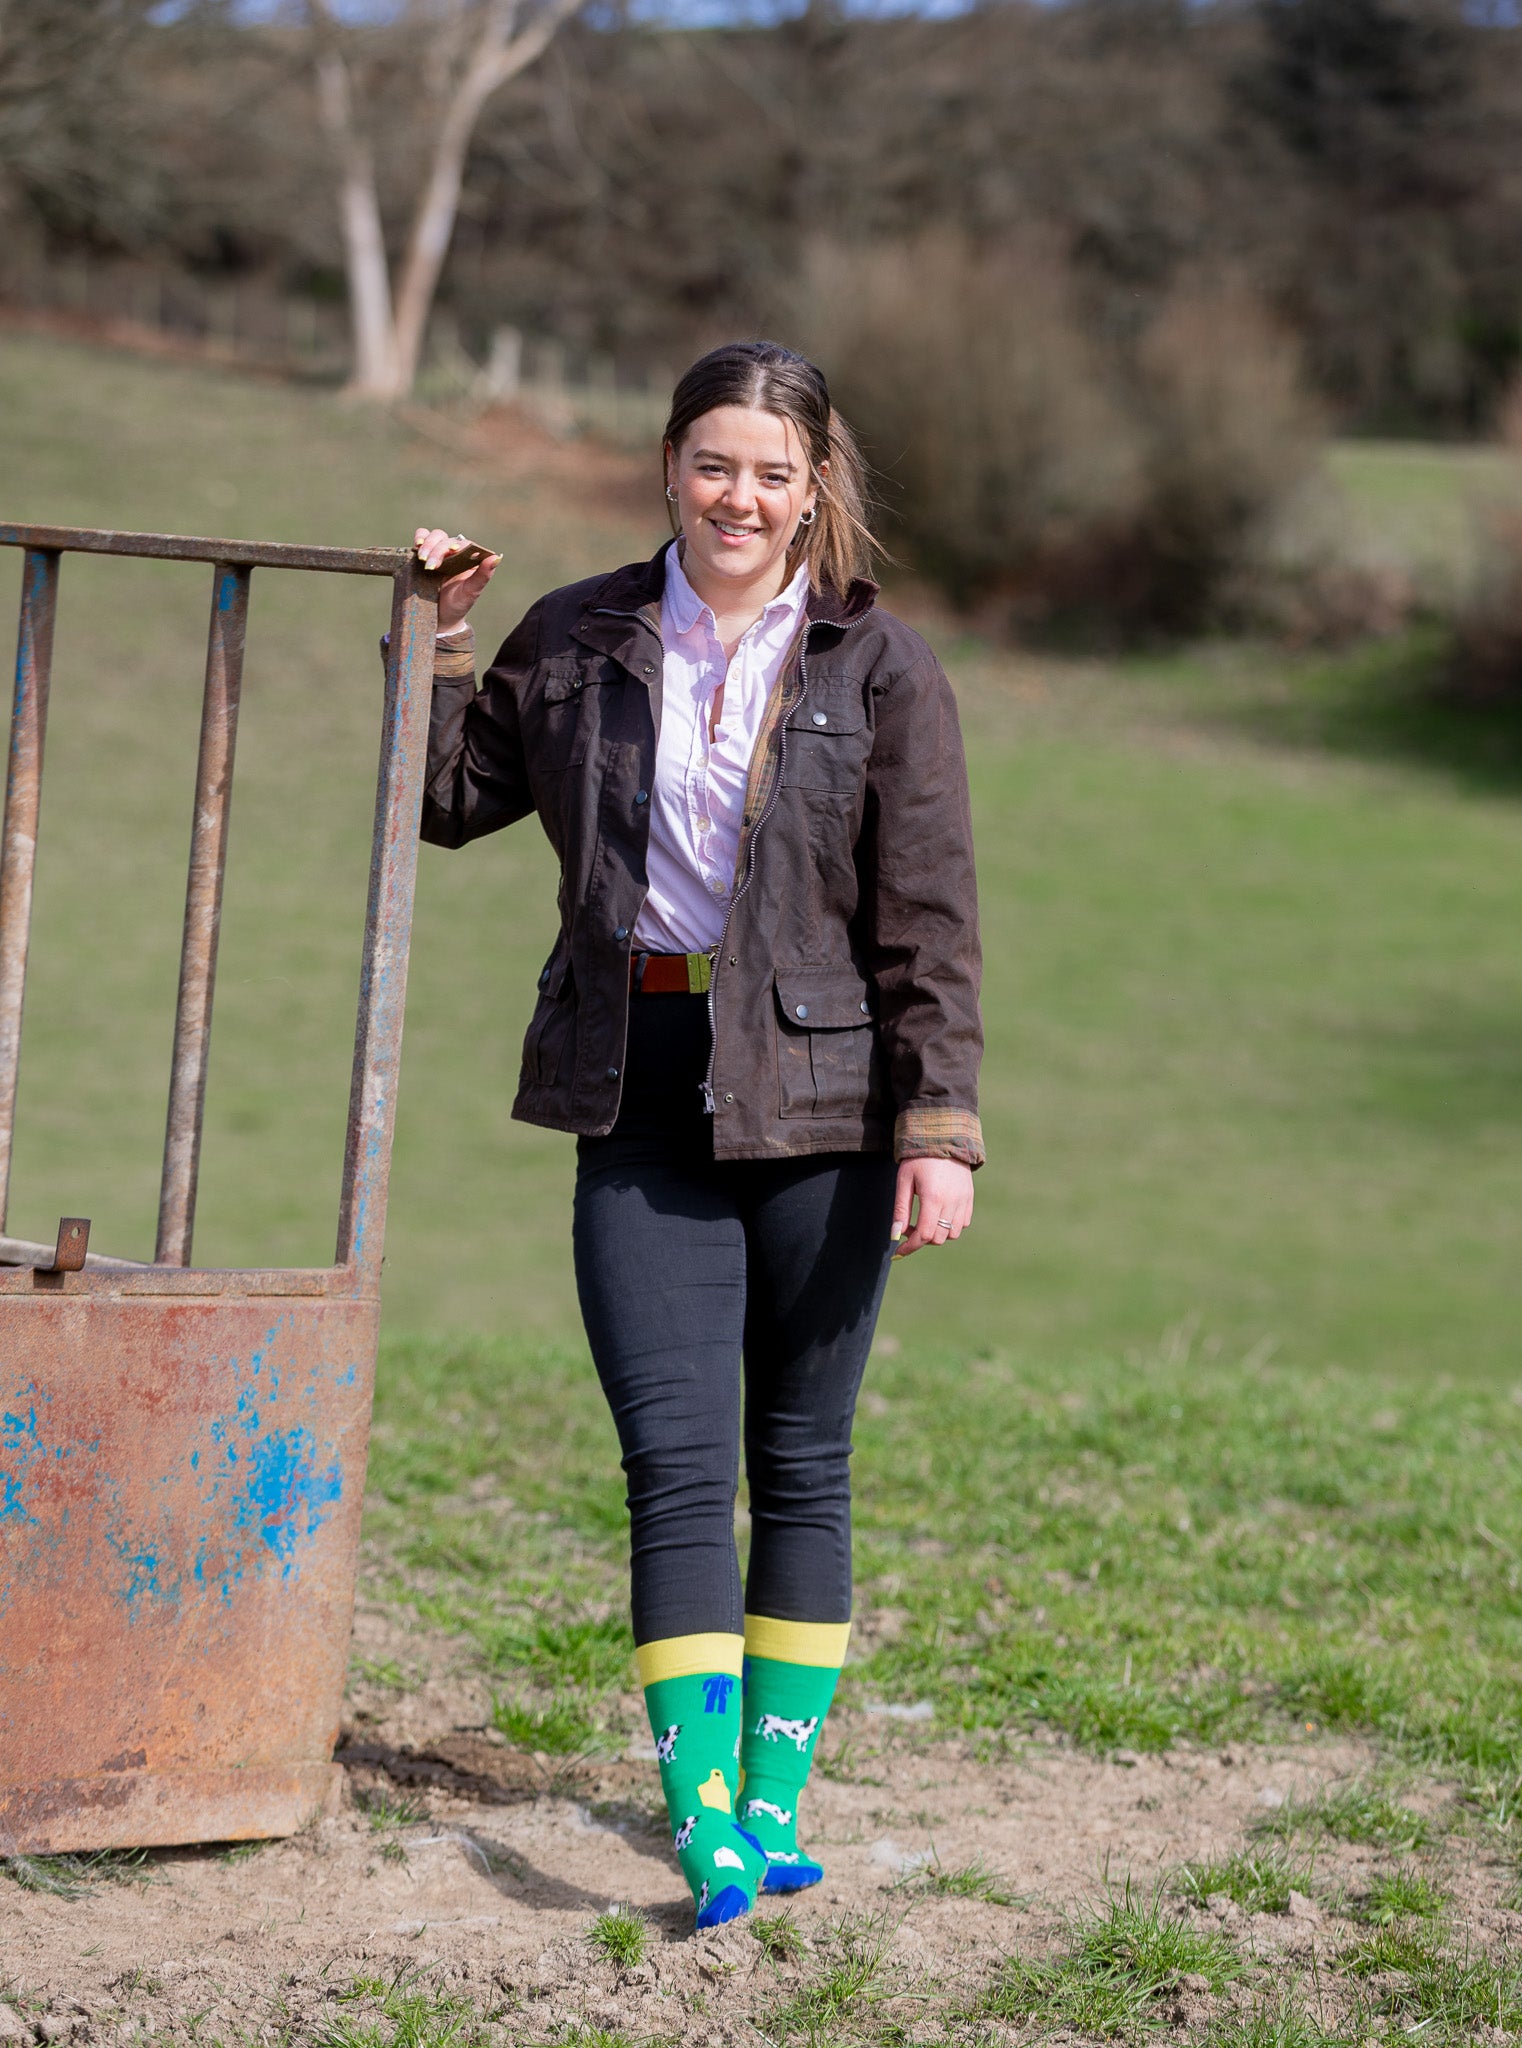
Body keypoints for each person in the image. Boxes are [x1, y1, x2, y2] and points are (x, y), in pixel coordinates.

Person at [411, 339, 983, 1930]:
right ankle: (705, 1823)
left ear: (816, 491)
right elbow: (443, 800)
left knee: (802, 1461)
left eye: (774, 473)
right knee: (674, 1466)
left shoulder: (880, 668)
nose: (742, 496)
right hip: (638, 1085)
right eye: (716, 463)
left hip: (826, 1102)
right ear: (671, 465)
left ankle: (775, 1802)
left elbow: (928, 919)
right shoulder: (583, 636)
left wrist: (938, 1125)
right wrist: (438, 636)